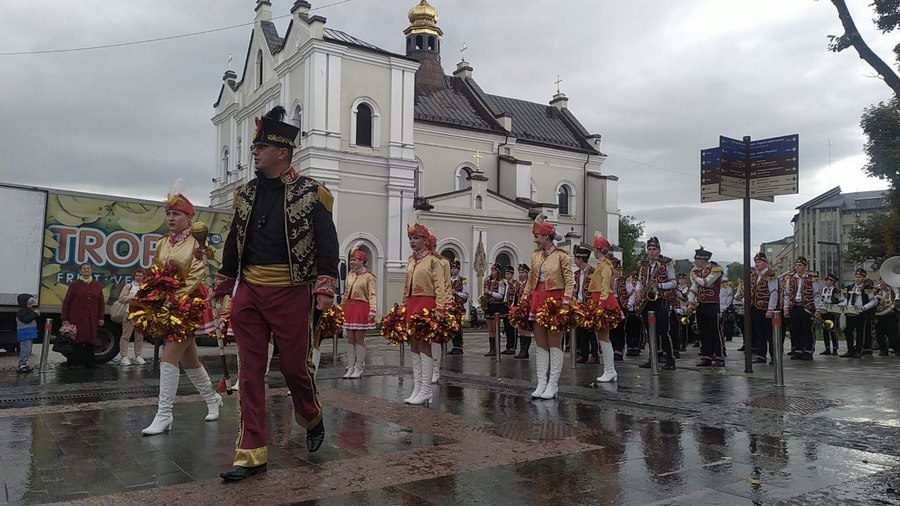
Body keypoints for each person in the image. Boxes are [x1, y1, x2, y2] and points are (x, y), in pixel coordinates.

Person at [214, 106, 339, 481]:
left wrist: (325, 285)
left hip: (291, 290)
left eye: (261, 146)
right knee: (250, 373)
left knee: (293, 367)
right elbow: (236, 243)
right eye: (255, 146)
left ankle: (311, 414)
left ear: (282, 152)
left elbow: (326, 243)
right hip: (250, 290)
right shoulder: (246, 194)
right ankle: (251, 452)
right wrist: (224, 282)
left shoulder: (311, 193)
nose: (254, 152)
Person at [142, 187, 223, 438]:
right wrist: (153, 295)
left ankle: (164, 414)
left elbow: (197, 273)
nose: (171, 218)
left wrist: (173, 298)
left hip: (189, 305)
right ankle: (213, 399)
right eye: (168, 213)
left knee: (169, 357)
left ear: (190, 217)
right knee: (189, 360)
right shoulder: (162, 243)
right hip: (168, 304)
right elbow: (157, 272)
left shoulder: (196, 242)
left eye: (177, 213)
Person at [521, 215, 574, 399]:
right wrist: (525, 297)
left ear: (546, 237)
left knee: (554, 343)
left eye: (537, 235)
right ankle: (541, 382)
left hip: (555, 301)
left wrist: (566, 302)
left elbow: (569, 280)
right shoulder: (535, 256)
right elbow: (530, 279)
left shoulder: (562, 257)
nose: (535, 239)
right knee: (541, 345)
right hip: (538, 299)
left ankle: (553, 384)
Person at [401, 215, 449, 405]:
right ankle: (417, 387)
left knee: (424, 345)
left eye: (416, 238)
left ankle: (426, 389)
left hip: (427, 305)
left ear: (425, 240)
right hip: (413, 304)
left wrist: (439, 308)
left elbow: (440, 286)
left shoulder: (433, 261)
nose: (412, 242)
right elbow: (407, 286)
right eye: (411, 239)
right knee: (413, 345)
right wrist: (404, 306)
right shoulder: (411, 261)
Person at [636, 237, 676, 370]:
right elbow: (640, 282)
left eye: (654, 249)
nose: (651, 252)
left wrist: (658, 285)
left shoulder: (666, 265)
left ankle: (670, 359)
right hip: (647, 301)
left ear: (659, 251)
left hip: (661, 300)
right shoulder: (643, 265)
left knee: (663, 331)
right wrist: (638, 293)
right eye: (649, 249)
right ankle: (652, 357)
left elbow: (673, 282)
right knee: (649, 331)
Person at [588, 234, 622, 382]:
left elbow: (605, 286)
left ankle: (609, 369)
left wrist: (601, 305)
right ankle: (609, 369)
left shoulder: (606, 265)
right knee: (602, 336)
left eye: (595, 249)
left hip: (604, 300)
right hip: (600, 299)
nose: (594, 251)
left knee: (603, 336)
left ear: (598, 250)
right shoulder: (602, 264)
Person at [61, 263, 105, 369]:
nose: (86, 270)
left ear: (91, 270)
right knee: (77, 341)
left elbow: (101, 303)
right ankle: (73, 363)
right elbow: (67, 302)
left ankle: (89, 363)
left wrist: (101, 318)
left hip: (92, 319)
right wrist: (65, 318)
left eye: (88, 268)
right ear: (80, 271)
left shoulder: (97, 285)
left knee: (91, 341)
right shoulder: (74, 285)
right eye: (84, 269)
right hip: (77, 319)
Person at [342, 244, 376, 379]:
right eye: (351, 260)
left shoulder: (368, 277)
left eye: (354, 260)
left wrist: (372, 310)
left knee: (359, 339)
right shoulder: (350, 275)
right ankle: (350, 366)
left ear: (362, 261)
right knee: (350, 339)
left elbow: (372, 294)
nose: (352, 262)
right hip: (350, 308)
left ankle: (359, 367)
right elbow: (345, 294)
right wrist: (341, 308)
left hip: (362, 308)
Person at [687, 247, 725, 367]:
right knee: (703, 331)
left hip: (713, 305)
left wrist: (695, 278)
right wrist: (690, 302)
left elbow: (706, 282)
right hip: (701, 304)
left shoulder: (716, 269)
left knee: (714, 330)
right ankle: (706, 355)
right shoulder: (697, 271)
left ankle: (719, 355)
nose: (695, 261)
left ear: (703, 259)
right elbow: (694, 288)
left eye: (696, 259)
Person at [782, 257, 818, 361]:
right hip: (794, 306)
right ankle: (797, 350)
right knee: (795, 329)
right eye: (796, 265)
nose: (797, 267)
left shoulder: (812, 279)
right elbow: (787, 295)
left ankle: (808, 350)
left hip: (806, 307)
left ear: (805, 266)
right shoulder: (791, 279)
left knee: (807, 329)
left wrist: (818, 309)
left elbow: (816, 295)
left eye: (800, 265)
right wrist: (786, 309)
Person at [840, 269, 877, 358]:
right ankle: (850, 350)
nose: (857, 279)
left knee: (860, 332)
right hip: (849, 312)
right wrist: (842, 306)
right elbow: (846, 300)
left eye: (859, 277)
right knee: (848, 332)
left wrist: (864, 308)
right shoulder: (849, 287)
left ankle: (859, 351)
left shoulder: (867, 288)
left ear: (864, 278)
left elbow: (874, 301)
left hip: (860, 312)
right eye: (856, 277)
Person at [749, 252, 779, 364]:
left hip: (766, 308)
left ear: (766, 263)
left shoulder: (770, 275)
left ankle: (774, 356)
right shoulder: (755, 275)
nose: (757, 264)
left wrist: (770, 309)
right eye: (756, 262)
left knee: (770, 333)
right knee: (759, 332)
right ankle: (761, 355)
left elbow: (774, 292)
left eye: (759, 262)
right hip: (756, 307)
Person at [115, 268, 147, 366]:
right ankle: (124, 356)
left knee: (139, 336)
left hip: (141, 315)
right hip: (129, 313)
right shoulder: (129, 286)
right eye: (137, 275)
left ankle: (138, 355)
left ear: (143, 277)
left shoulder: (146, 287)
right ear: (134, 276)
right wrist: (133, 298)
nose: (138, 277)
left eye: (140, 276)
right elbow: (121, 298)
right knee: (126, 336)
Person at [572, 244, 597, 364]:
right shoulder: (577, 273)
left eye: (576, 258)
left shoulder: (593, 272)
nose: (575, 261)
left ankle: (594, 354)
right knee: (581, 331)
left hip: (590, 305)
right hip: (580, 305)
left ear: (580, 259)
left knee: (591, 331)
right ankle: (583, 353)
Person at [483, 263, 507, 357]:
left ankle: (496, 348)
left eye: (494, 271)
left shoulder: (500, 282)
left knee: (494, 328)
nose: (492, 272)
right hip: (489, 305)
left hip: (496, 306)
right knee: (490, 329)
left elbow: (500, 295)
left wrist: (490, 292)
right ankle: (491, 348)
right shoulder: (488, 281)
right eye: (492, 270)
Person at [818, 273, 843, 355]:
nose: (826, 281)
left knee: (833, 330)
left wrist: (836, 307)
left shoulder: (836, 291)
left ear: (832, 282)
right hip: (824, 311)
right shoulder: (823, 289)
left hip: (832, 312)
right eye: (826, 280)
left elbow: (842, 300)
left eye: (828, 280)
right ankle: (827, 348)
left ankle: (835, 349)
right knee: (825, 330)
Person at [448, 259, 469, 355]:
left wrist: (456, 293)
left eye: (455, 268)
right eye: (452, 268)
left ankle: (459, 346)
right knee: (451, 326)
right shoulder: (448, 280)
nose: (453, 270)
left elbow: (466, 294)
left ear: (458, 269)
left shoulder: (462, 281)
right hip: (450, 306)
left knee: (458, 327)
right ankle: (454, 345)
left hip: (458, 306)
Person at [873, 278, 898, 356]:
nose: (882, 283)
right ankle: (883, 350)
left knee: (893, 334)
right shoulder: (876, 291)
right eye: (881, 281)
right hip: (879, 315)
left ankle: (897, 349)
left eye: (884, 281)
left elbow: (896, 300)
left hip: (890, 315)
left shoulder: (893, 291)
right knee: (879, 334)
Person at [609, 257, 627, 361]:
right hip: (611, 305)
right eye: (617, 269)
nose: (619, 272)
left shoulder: (624, 280)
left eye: (620, 270)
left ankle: (619, 350)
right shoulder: (608, 279)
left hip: (621, 305)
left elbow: (629, 293)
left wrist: (627, 304)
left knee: (620, 328)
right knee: (611, 328)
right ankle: (612, 348)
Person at [513, 263, 532, 359]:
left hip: (526, 309)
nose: (521, 274)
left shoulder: (529, 284)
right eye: (520, 272)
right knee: (520, 330)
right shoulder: (517, 284)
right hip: (518, 308)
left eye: (523, 272)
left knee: (525, 330)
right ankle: (522, 349)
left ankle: (525, 351)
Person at [16, 294, 39, 373]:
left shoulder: (28, 310)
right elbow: (26, 319)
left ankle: (24, 363)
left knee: (28, 349)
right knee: (25, 349)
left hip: (29, 333)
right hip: (25, 334)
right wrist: (35, 314)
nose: (31, 304)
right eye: (29, 303)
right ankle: (22, 364)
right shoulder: (21, 311)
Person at [624, 272, 643, 357]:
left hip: (637, 312)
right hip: (629, 311)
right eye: (633, 280)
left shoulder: (639, 290)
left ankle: (636, 347)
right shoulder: (628, 289)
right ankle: (629, 347)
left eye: (636, 280)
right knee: (628, 331)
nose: (634, 282)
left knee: (637, 331)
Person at [501, 266, 519, 355]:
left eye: (508, 274)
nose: (506, 276)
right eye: (506, 274)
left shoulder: (515, 284)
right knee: (507, 327)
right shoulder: (504, 284)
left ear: (512, 275)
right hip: (504, 306)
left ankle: (513, 347)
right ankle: (508, 346)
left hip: (511, 307)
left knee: (512, 328)